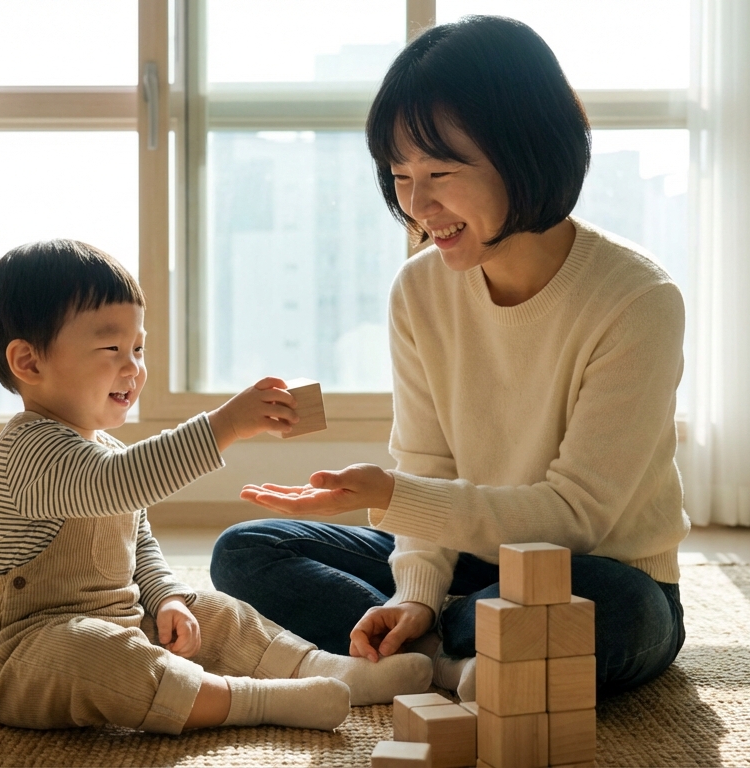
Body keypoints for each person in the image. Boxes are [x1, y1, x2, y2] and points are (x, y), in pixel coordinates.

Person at [213, 15, 689, 702]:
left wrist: (391, 497)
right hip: (466, 561)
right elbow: (429, 464)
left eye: (439, 171)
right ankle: (447, 654)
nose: (416, 203)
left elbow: (575, 516)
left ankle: (438, 647)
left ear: (526, 151)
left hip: (596, 569)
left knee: (617, 612)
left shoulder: (637, 299)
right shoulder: (420, 288)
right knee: (246, 551)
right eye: (400, 174)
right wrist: (414, 594)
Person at [0, 239, 432, 734]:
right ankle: (256, 701)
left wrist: (166, 599)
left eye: (138, 348)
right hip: (21, 656)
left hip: (121, 625)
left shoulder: (108, 451)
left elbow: (140, 548)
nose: (133, 366)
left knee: (218, 613)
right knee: (94, 652)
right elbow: (116, 484)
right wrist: (224, 425)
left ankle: (325, 670)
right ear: (29, 363)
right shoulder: (27, 451)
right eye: (111, 348)